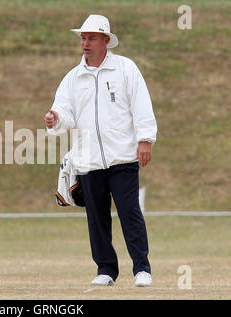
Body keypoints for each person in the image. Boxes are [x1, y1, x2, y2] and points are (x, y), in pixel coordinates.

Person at [44, 14, 157, 287]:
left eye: (91, 38)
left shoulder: (125, 69)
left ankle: (142, 268)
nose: (85, 43)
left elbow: (141, 104)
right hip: (88, 159)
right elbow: (65, 112)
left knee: (130, 213)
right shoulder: (73, 77)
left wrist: (145, 139)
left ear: (106, 41)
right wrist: (55, 119)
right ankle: (105, 269)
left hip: (122, 156)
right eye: (83, 37)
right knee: (96, 218)